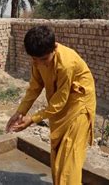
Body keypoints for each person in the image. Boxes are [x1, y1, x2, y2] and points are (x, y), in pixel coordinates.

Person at [6, 26, 96, 185]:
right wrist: (20, 112)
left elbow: (59, 101)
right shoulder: (38, 59)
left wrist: (33, 119)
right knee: (58, 152)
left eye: (43, 59)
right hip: (59, 108)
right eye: (34, 59)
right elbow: (35, 87)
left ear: (54, 48)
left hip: (78, 106)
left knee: (69, 158)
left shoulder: (66, 64)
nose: (38, 63)